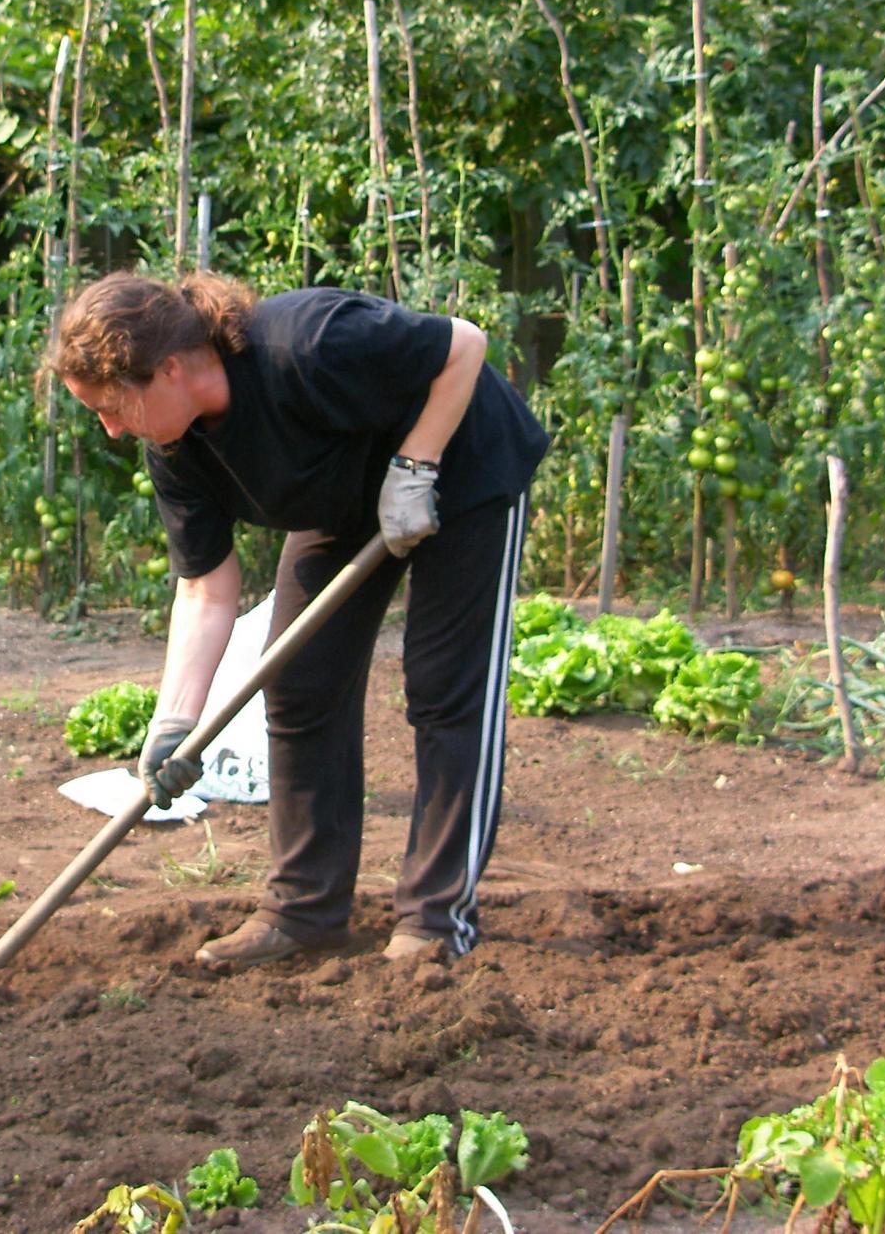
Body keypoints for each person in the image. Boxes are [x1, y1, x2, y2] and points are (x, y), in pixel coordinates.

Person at [48, 271, 547, 970]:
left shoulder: (307, 343)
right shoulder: (175, 449)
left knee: (444, 687)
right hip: (343, 500)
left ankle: (436, 922)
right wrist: (173, 723)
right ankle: (304, 913)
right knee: (299, 680)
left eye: (110, 406)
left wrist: (417, 463)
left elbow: (463, 345)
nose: (107, 428)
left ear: (167, 370)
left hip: (459, 465)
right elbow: (205, 588)